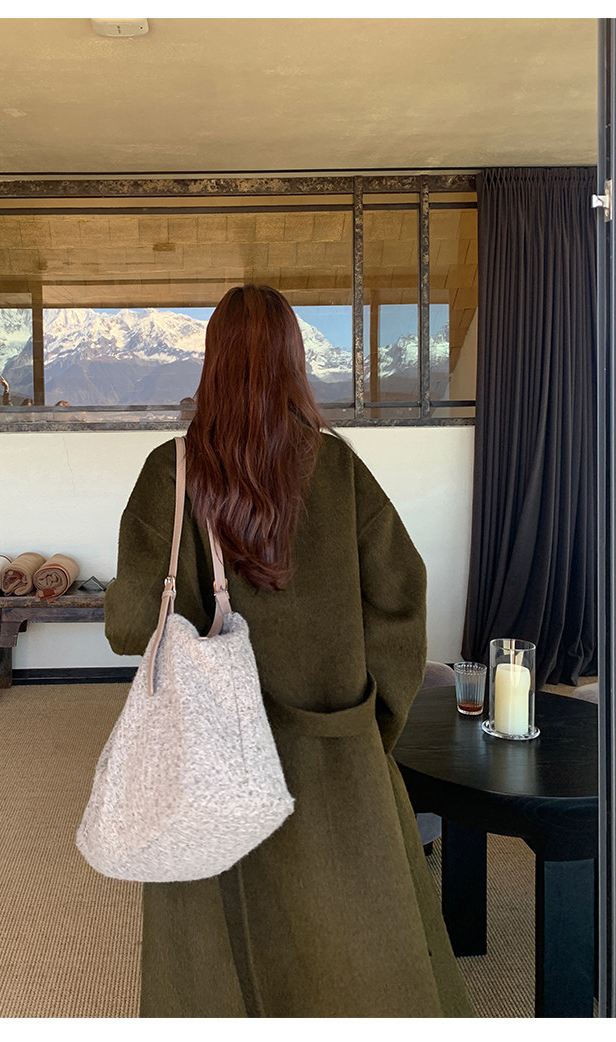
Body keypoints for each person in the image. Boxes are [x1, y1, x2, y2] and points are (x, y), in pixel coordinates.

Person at [103, 284, 473, 1018]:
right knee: (356, 926)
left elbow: (133, 625)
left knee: (214, 944)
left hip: (205, 758)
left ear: (212, 361)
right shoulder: (338, 468)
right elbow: (401, 603)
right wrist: (371, 723)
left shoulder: (170, 472)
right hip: (333, 740)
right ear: (294, 361)